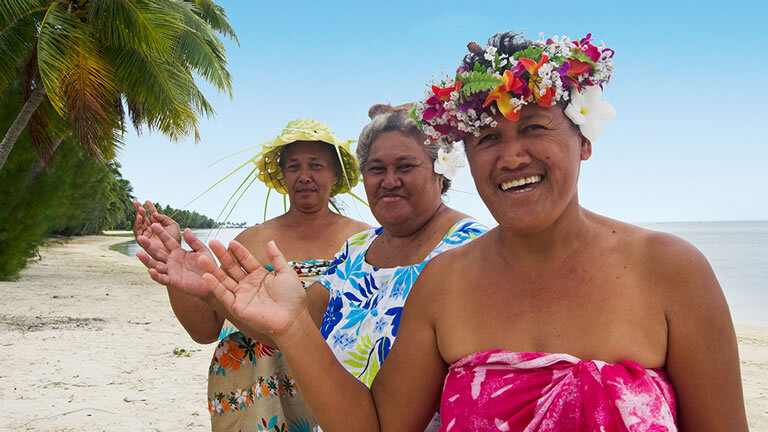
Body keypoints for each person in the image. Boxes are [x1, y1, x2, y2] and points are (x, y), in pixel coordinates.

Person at [201, 31, 749, 431]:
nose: (511, 156)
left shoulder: (671, 272)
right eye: (487, 138)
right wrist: (294, 327)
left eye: (534, 127)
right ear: (465, 154)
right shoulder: (444, 283)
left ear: (583, 139)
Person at [138, 108, 488, 431]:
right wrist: (209, 291)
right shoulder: (357, 250)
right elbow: (296, 327)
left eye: (405, 166)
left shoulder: (473, 250)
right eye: (376, 169)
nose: (389, 180)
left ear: (441, 170)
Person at [133, 118, 371, 431]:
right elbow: (205, 330)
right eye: (294, 166)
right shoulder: (250, 242)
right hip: (256, 398)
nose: (304, 176)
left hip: (338, 390)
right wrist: (172, 261)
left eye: (316, 165)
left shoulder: (363, 241)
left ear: (335, 173)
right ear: (282, 173)